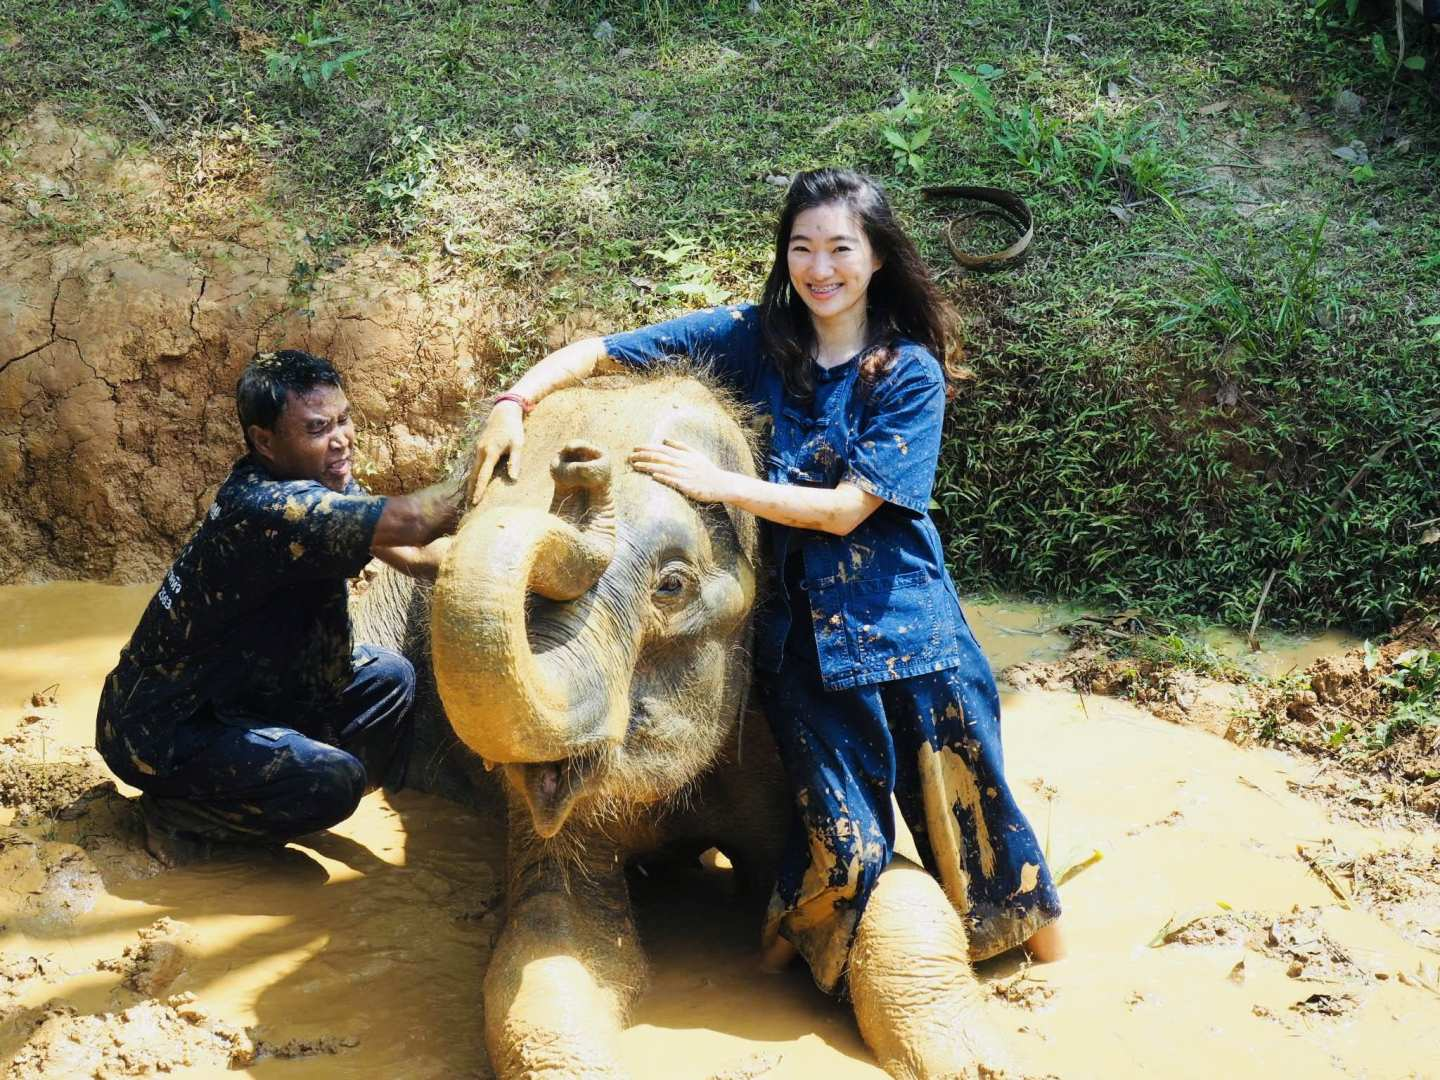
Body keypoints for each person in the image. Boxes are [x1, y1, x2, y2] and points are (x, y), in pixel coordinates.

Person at [468, 168, 1063, 994]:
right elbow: (604, 352)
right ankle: (763, 974)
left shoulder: (906, 373)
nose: (821, 269)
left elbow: (849, 510)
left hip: (911, 641)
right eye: (802, 249)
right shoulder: (757, 339)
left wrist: (724, 490)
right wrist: (514, 399)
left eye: (841, 249)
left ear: (878, 258)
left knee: (985, 848)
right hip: (801, 654)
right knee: (841, 845)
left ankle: (1055, 994)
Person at [97, 349, 466, 867]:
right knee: (334, 782)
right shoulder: (270, 509)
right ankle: (182, 815)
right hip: (165, 729)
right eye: (318, 428)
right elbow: (413, 523)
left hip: (247, 694)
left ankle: (269, 791)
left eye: (343, 419)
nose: (341, 440)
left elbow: (416, 553)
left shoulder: (323, 484)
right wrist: (484, 464)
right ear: (264, 440)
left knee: (390, 677)